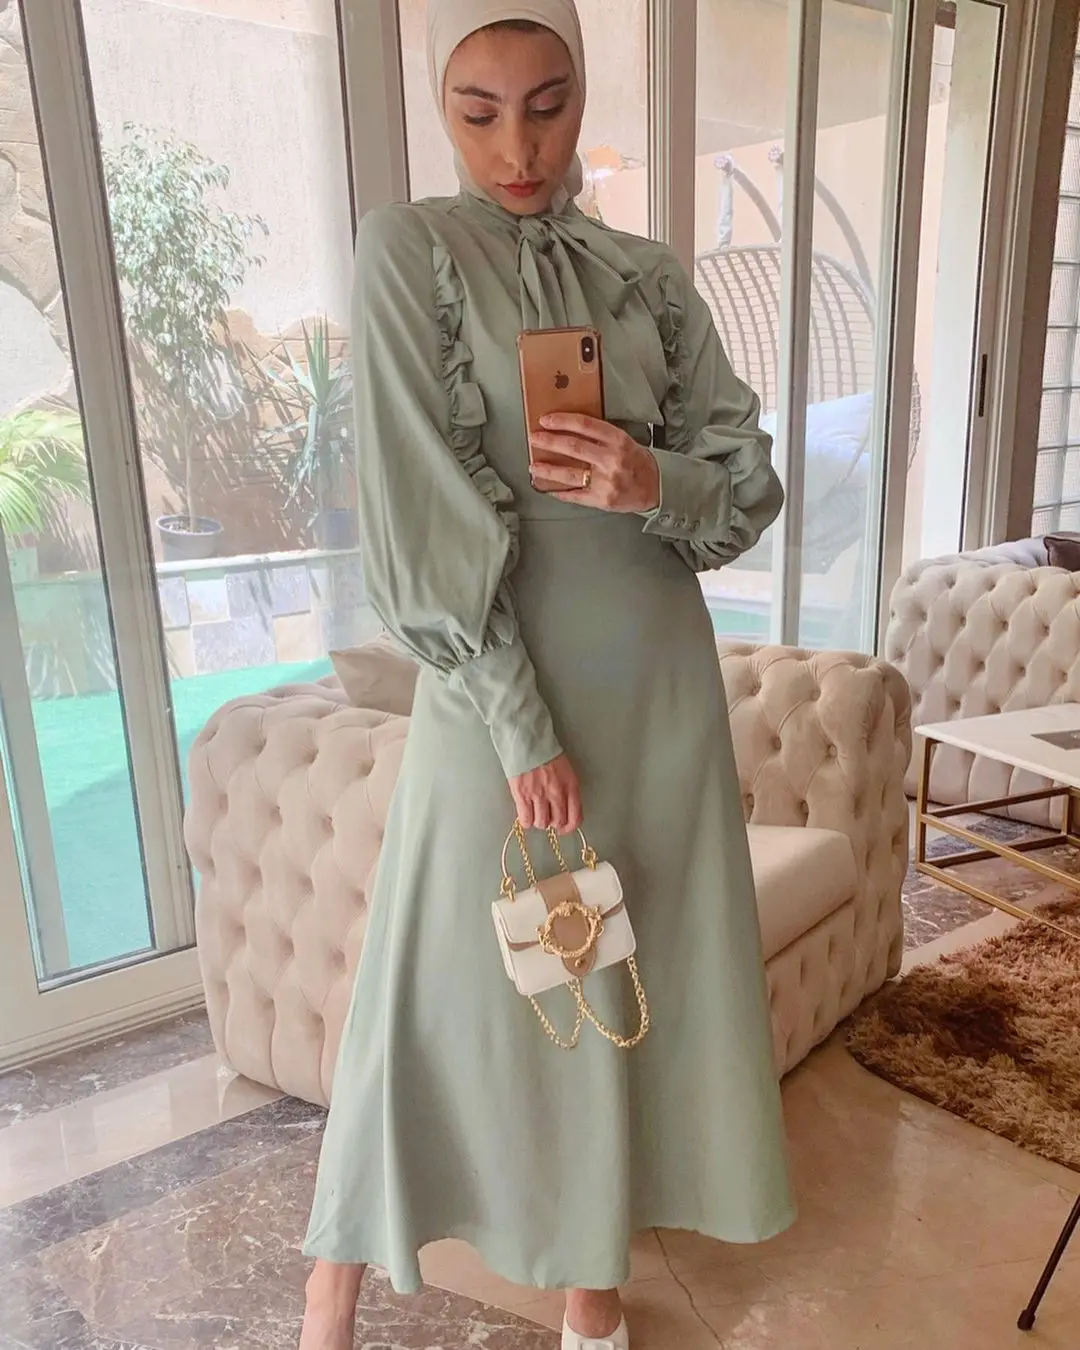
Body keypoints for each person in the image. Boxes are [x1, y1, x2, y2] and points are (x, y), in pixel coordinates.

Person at [299, 3, 795, 1348]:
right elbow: (419, 519)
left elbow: (748, 485)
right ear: (439, 105)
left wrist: (651, 479)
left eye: (548, 103)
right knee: (430, 969)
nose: (517, 147)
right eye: (478, 111)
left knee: (622, 979)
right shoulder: (410, 249)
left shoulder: (649, 276)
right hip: (497, 689)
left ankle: (592, 1296)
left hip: (657, 685)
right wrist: (520, 726)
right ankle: (330, 1291)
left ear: (583, 98)